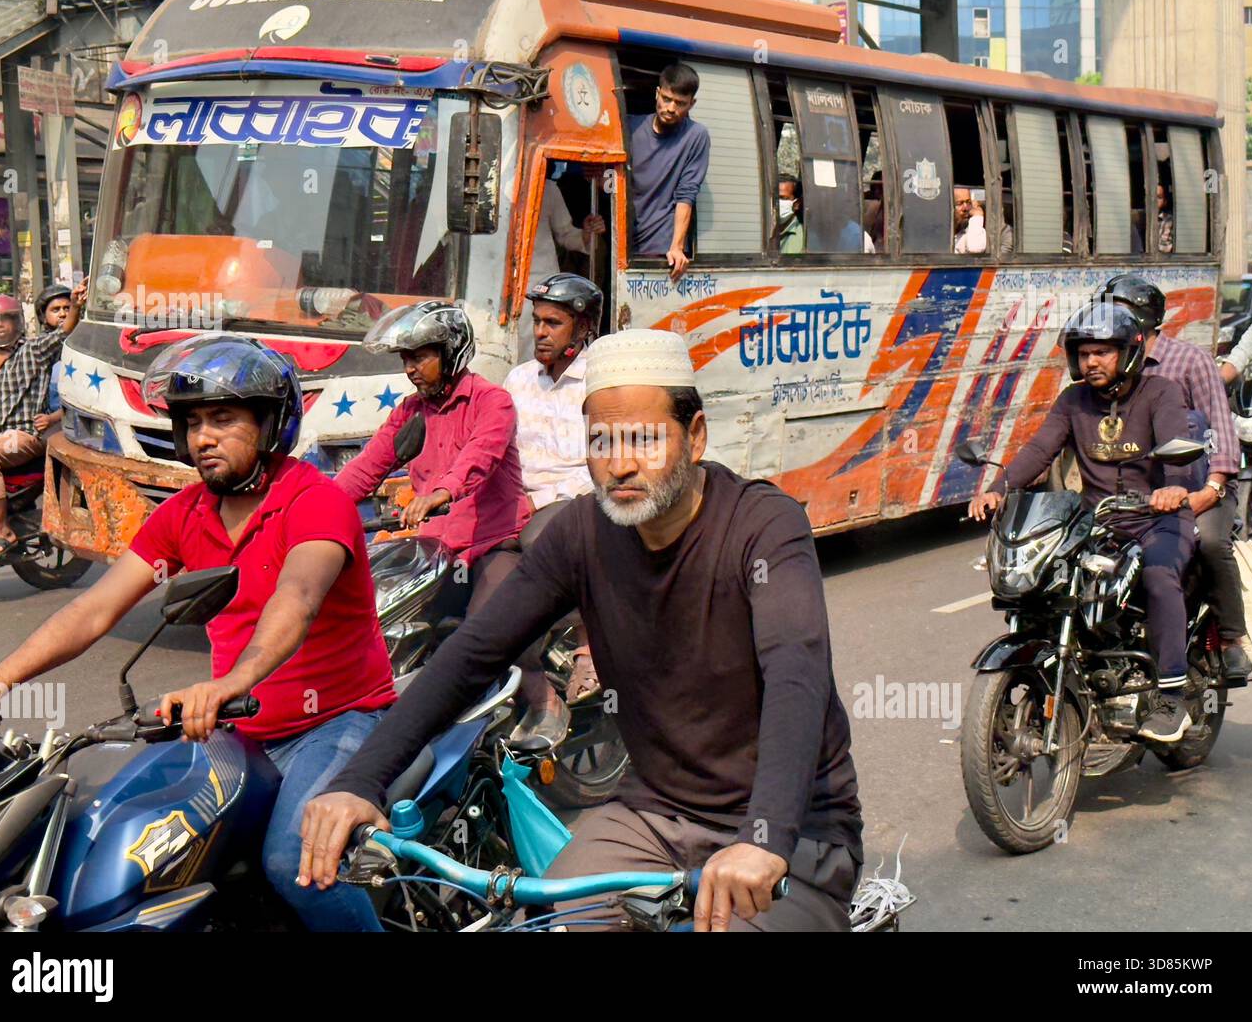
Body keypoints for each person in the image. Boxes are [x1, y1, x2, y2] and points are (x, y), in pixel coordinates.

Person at [299, 329, 865, 932]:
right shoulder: (582, 533)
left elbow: (795, 673)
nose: (619, 463)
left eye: (644, 439)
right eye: (601, 440)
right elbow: (469, 657)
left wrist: (766, 837)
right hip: (655, 817)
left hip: (795, 832)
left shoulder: (762, 526)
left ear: (695, 437)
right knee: (541, 923)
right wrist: (362, 780)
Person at [0, 334, 395, 931]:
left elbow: (295, 601)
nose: (203, 437)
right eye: (193, 421)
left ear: (271, 422)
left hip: (338, 723)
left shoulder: (316, 501)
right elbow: (94, 610)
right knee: (129, 839)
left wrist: (228, 684)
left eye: (223, 418)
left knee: (293, 862)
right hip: (238, 729)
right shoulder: (184, 514)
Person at [332, 303, 568, 744]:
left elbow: (481, 456)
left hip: (494, 544)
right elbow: (366, 468)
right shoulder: (408, 412)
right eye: (405, 359)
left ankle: (544, 701)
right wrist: (313, 507)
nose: (410, 369)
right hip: (435, 550)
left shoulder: (492, 402)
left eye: (419, 356)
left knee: (487, 628)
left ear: (452, 350)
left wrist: (441, 492)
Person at [969, 301, 1197, 742]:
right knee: (1050, 581)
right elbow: (1039, 450)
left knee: (1158, 576)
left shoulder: (1160, 392)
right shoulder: (1074, 401)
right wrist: (999, 488)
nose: (1091, 362)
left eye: (1102, 353)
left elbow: (1175, 444)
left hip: (1156, 518)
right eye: (1084, 353)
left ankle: (1174, 695)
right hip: (1098, 522)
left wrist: (1174, 487)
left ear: (1128, 352)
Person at [1098, 274, 1252, 686]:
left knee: (1211, 541)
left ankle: (1232, 641)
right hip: (1140, 490)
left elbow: (1220, 432)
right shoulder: (1105, 364)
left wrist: (1211, 490)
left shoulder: (1190, 362)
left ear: (1143, 323)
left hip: (1201, 483)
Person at [504, 272, 601, 704]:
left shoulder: (600, 380)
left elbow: (602, 462)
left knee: (539, 536)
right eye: (537, 321)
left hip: (577, 501)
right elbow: (502, 451)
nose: (540, 332)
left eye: (553, 323)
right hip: (521, 501)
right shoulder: (519, 379)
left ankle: (590, 645)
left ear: (581, 329)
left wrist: (543, 502)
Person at [0, 291, 80, 562]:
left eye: (5, 319)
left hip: (26, 432)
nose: (0, 325)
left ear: (17, 323)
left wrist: (75, 304)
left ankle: (2, 530)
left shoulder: (33, 351)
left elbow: (64, 332)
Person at [629, 63, 711, 281]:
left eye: (680, 103)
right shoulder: (630, 127)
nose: (671, 108)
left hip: (659, 248)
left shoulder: (696, 136)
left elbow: (686, 194)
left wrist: (677, 247)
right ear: (657, 94)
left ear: (691, 104)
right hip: (621, 238)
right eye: (667, 99)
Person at [526, 168, 605, 293]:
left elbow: (566, 235)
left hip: (540, 285)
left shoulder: (547, 189)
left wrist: (587, 233)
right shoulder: (489, 186)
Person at [33, 283, 73, 437]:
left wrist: (53, 418)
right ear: (43, 316)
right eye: (55, 310)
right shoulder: (37, 348)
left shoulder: (83, 343)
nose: (62, 314)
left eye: (67, 308)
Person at [954, 186, 1013, 254]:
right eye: (959, 203)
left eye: (968, 202)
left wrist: (977, 217)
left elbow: (975, 248)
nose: (966, 208)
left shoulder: (976, 225)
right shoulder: (946, 229)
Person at [777, 175, 806, 254]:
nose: (776, 203)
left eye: (782, 198)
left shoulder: (805, 238)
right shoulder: (760, 230)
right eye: (774, 198)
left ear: (796, 204)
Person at [1156, 183, 1174, 255]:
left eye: (1159, 197)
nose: (1154, 200)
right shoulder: (1137, 218)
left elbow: (1166, 249)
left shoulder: (1168, 221)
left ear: (1165, 202)